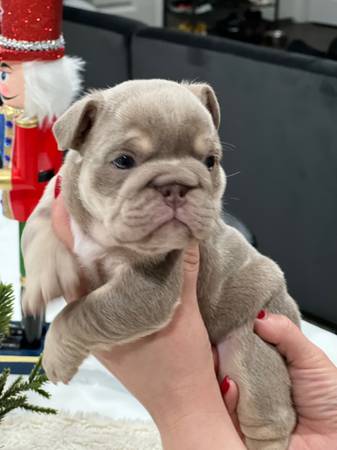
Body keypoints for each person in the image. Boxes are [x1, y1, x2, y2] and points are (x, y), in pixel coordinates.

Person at [52, 194, 337, 449]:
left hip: (249, 315)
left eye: (208, 161)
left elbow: (150, 302)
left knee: (262, 422)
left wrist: (186, 407)